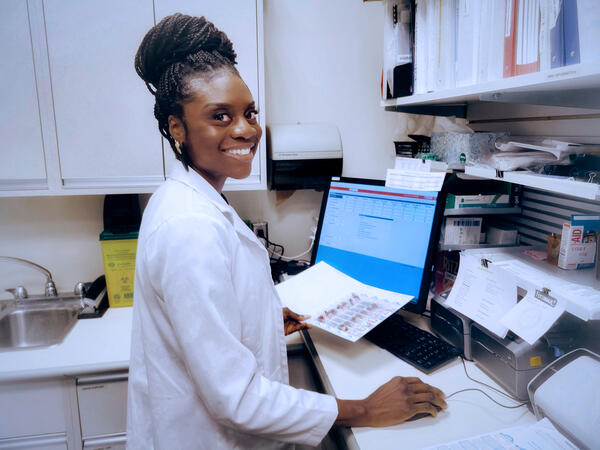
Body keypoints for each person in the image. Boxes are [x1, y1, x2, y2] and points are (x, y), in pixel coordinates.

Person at [127, 13, 447, 450]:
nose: (245, 130)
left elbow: (206, 326)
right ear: (177, 128)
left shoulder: (188, 198)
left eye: (249, 113)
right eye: (220, 116)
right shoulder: (189, 227)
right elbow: (235, 399)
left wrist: (260, 319)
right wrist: (366, 409)